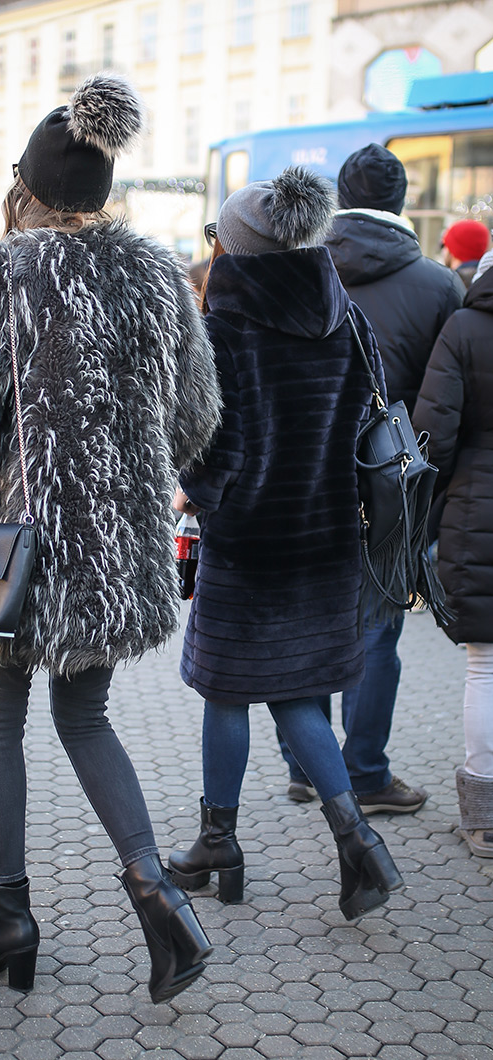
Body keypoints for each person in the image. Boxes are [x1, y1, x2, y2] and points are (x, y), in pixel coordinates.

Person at [0, 73, 221, 1001]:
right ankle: (159, 901)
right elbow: (194, 422)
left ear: (28, 189)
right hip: (110, 555)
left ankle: (9, 917)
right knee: (85, 717)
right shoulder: (158, 277)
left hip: (8, 547)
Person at [167, 168, 403, 922]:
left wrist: (194, 495)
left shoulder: (224, 326)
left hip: (250, 543)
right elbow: (371, 413)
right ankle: (359, 843)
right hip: (328, 535)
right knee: (300, 694)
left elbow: (215, 449)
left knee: (226, 689)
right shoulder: (346, 315)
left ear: (233, 248)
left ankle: (219, 844)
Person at [277, 142, 465, 813]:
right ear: (402, 200)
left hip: (296, 474)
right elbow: (450, 401)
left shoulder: (297, 268)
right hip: (391, 483)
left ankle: (304, 765)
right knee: (376, 627)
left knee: (302, 620)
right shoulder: (440, 285)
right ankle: (365, 773)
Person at [414, 248, 493, 858]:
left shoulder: (466, 327)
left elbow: (432, 436)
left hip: (478, 509)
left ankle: (486, 815)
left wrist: (421, 517)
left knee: (484, 668)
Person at [441, 218, 491, 290]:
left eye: (444, 245)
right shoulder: (487, 281)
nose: (443, 250)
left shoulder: (447, 285)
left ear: (454, 250)